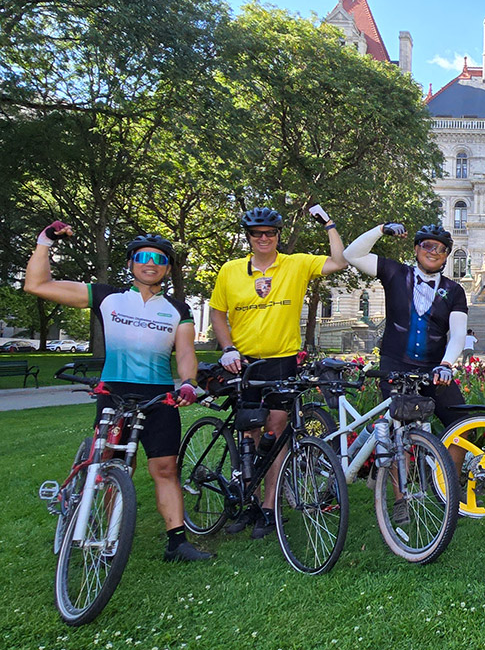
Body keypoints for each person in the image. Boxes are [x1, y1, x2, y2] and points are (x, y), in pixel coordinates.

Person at [24, 223, 212, 562]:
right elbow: (37, 285)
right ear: (131, 264)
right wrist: (45, 242)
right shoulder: (107, 296)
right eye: (142, 257)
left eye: (159, 258)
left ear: (167, 267)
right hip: (115, 394)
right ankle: (109, 534)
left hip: (159, 398)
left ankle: (177, 543)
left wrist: (188, 382)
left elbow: (185, 352)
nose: (150, 263)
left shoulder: (178, 309)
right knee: (112, 465)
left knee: (166, 468)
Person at [210, 205, 347, 538]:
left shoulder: (295, 263)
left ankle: (269, 507)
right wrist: (227, 348)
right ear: (249, 237)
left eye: (269, 233)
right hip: (243, 361)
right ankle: (252, 504)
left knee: (276, 431)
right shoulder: (230, 271)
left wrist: (328, 223)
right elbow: (217, 313)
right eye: (257, 234)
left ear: (277, 237)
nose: (263, 239)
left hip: (281, 359)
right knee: (250, 433)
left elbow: (339, 261)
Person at [343, 223, 469, 427]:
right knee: (401, 431)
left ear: (446, 256)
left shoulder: (454, 290)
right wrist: (381, 230)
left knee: (461, 426)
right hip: (395, 367)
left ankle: (445, 460)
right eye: (428, 245)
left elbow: (458, 334)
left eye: (441, 249)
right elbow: (352, 255)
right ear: (416, 248)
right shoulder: (395, 273)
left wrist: (446, 364)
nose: (434, 252)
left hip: (434, 369)